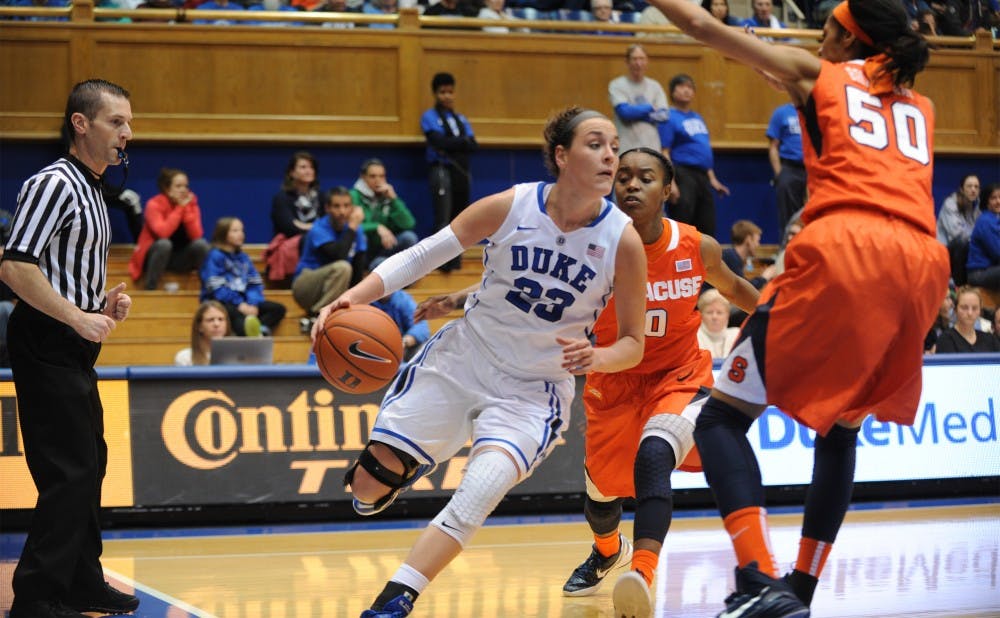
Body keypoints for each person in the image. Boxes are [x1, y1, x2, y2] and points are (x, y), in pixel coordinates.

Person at [642, 0, 950, 615]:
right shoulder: (922, 106)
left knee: (720, 419)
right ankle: (798, 591)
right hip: (921, 263)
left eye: (828, 31)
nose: (819, 37)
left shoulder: (818, 74)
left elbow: (704, 27)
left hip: (848, 249)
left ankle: (758, 578)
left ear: (845, 39)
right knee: (841, 429)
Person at [313, 107, 648, 618]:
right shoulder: (513, 205)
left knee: (479, 491)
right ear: (562, 155)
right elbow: (425, 253)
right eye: (596, 144)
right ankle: (404, 462)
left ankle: (394, 600)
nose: (610, 156)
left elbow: (633, 342)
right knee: (366, 488)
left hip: (533, 392)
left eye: (614, 146)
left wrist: (598, 355)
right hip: (464, 359)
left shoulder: (622, 239)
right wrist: (353, 299)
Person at [0, 78, 140, 618]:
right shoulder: (55, 182)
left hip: (71, 338)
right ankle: (36, 596)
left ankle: (82, 580)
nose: (126, 133)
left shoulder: (94, 188)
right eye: (116, 122)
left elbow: (59, 272)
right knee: (70, 471)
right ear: (80, 124)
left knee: (91, 463)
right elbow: (14, 266)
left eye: (129, 123)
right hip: (44, 339)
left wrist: (98, 305)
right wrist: (76, 316)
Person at [421, 72, 477, 272]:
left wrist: (454, 144)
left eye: (450, 92)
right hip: (441, 169)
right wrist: (460, 143)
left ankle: (455, 260)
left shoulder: (460, 119)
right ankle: (440, 262)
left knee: (460, 217)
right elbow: (438, 142)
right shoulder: (429, 117)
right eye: (442, 92)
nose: (447, 96)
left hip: (461, 171)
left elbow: (472, 145)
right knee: (443, 217)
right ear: (435, 93)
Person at [660, 73, 729, 236]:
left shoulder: (697, 117)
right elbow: (665, 151)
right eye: (682, 86)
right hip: (683, 173)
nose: (687, 90)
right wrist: (672, 183)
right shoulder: (669, 117)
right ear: (672, 92)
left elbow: (703, 150)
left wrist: (712, 179)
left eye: (690, 87)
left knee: (707, 224)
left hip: (703, 176)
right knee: (683, 222)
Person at [200, 217, 287, 337]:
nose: (240, 234)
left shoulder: (244, 258)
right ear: (223, 233)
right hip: (223, 302)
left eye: (241, 230)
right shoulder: (214, 256)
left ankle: (256, 329)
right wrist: (240, 304)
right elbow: (216, 288)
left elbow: (255, 283)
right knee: (233, 313)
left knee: (278, 309)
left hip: (245, 302)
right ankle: (252, 332)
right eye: (235, 231)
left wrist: (253, 303)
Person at [128, 167, 211, 290]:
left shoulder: (191, 205)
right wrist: (179, 209)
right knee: (164, 244)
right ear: (167, 189)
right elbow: (163, 233)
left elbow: (196, 235)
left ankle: (209, 290)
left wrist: (186, 209)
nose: (184, 190)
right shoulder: (154, 204)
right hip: (153, 259)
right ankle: (150, 289)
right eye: (178, 186)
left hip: (179, 259)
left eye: (186, 186)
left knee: (201, 245)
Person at [292, 187, 367, 319]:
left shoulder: (356, 229)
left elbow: (358, 266)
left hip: (335, 287)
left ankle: (328, 316)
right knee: (343, 267)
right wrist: (352, 228)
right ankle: (317, 316)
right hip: (306, 286)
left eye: (346, 206)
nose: (342, 211)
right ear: (327, 208)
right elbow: (339, 255)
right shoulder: (318, 228)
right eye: (336, 206)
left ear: (352, 208)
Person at [350, 158, 418, 270]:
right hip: (364, 250)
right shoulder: (353, 196)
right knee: (362, 239)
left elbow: (409, 224)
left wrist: (394, 200)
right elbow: (350, 226)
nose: (378, 180)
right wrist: (376, 227)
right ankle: (382, 266)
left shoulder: (388, 196)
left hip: (384, 248)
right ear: (362, 177)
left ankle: (384, 265)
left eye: (382, 176)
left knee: (409, 237)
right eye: (373, 176)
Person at [267, 151, 322, 285]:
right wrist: (316, 226)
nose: (308, 171)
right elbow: (288, 227)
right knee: (308, 238)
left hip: (318, 240)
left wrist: (304, 225)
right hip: (290, 245)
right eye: (303, 167)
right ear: (292, 173)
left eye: (311, 167)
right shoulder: (282, 198)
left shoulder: (322, 197)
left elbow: (328, 224)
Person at [608, 44, 670, 156]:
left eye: (642, 59)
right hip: (626, 149)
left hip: (652, 149)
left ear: (647, 61)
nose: (638, 63)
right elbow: (625, 113)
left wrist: (635, 112)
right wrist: (649, 108)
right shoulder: (617, 85)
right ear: (627, 62)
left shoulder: (655, 86)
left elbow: (664, 116)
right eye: (634, 59)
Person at [767, 102, 807, 233]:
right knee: (788, 216)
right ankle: (786, 250)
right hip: (789, 167)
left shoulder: (814, 109)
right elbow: (773, 146)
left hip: (812, 168)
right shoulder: (781, 113)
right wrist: (780, 175)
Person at [936, 174, 981, 285]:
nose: (973, 190)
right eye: (969, 186)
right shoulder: (950, 204)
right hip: (946, 251)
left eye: (976, 187)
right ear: (962, 189)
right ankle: (959, 285)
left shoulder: (976, 207)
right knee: (962, 241)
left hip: (967, 248)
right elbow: (957, 234)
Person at [933, 286, 1000, 353]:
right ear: (955, 310)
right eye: (964, 308)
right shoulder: (945, 340)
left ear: (980, 311)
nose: (970, 313)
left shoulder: (990, 340)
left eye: (974, 308)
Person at [371, 289, 430, 361]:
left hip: (401, 348)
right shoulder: (363, 300)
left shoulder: (402, 298)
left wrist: (404, 342)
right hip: (372, 348)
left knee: (423, 348)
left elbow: (421, 327)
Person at [175, 299, 232, 366]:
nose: (217, 324)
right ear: (199, 327)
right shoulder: (185, 358)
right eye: (210, 320)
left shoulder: (235, 356)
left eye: (221, 319)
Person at [966, 182, 1000, 292]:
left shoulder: (995, 219)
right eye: (993, 198)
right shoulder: (985, 221)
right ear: (986, 201)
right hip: (979, 273)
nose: (998, 201)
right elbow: (998, 253)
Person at [697, 287, 741, 359]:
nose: (714, 317)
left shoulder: (737, 335)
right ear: (701, 315)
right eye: (709, 312)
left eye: (719, 313)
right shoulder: (694, 338)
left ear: (727, 315)